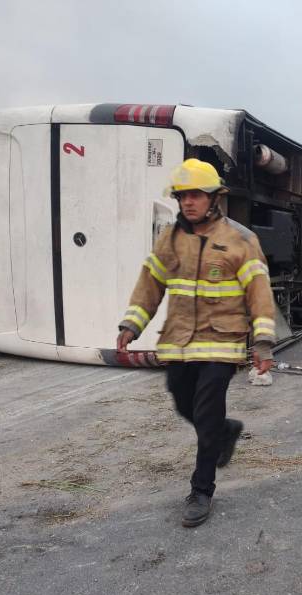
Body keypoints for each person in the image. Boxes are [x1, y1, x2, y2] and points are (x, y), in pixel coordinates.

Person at [116, 159, 277, 527]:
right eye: (182, 196)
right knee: (181, 400)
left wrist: (263, 343)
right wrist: (131, 324)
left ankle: (201, 490)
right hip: (179, 341)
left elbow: (259, 293)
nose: (188, 202)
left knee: (205, 413)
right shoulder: (170, 239)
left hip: (222, 342)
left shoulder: (241, 240)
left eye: (196, 195)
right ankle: (224, 431)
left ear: (214, 198)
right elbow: (150, 285)